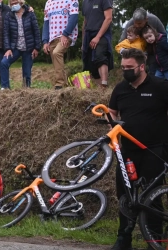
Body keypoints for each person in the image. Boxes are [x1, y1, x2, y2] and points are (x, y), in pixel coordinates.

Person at [108, 48, 168, 250]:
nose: (125, 70)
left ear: (142, 67)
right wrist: (115, 127)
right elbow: (112, 111)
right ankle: (123, 239)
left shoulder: (160, 86)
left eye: (129, 67)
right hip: (127, 153)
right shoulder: (121, 88)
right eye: (123, 67)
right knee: (125, 197)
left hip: (154, 151)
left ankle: (155, 241)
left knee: (153, 197)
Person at [0, 0, 41, 89]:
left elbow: (36, 31)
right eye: (12, 3)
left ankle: (26, 90)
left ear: (20, 2)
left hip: (28, 48)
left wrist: (37, 48)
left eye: (15, 2)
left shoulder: (30, 14)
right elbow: (6, 33)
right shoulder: (9, 16)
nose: (14, 4)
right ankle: (5, 88)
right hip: (15, 48)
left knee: (26, 72)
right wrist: (7, 48)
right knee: (4, 63)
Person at [42, 0, 79, 90]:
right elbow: (46, 23)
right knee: (56, 61)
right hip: (52, 37)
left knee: (56, 53)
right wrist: (45, 41)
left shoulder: (72, 1)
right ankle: (65, 85)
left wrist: (65, 34)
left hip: (66, 35)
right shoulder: (48, 3)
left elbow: (74, 17)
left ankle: (59, 84)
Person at [119, 7, 166, 75]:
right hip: (136, 53)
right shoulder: (131, 23)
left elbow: (164, 36)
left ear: (146, 19)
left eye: (140, 23)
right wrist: (126, 51)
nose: (137, 26)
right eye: (136, 23)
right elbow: (121, 41)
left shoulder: (154, 20)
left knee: (153, 76)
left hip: (154, 52)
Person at [82, 0, 113, 87]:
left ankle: (104, 84)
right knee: (89, 63)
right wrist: (83, 41)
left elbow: (108, 18)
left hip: (102, 33)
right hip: (89, 34)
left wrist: (98, 37)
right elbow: (85, 22)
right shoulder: (85, 2)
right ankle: (99, 90)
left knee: (100, 56)